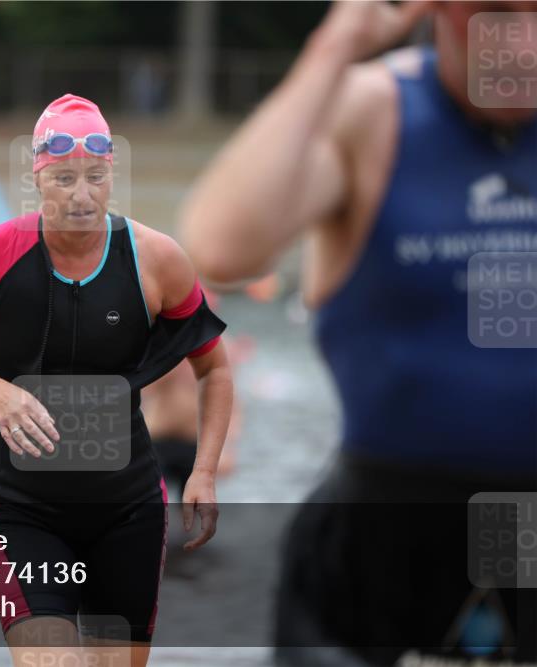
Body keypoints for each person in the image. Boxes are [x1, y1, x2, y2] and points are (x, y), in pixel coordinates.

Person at [178, 1, 536, 665]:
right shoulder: (375, 111)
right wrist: (335, 46)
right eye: (497, 12)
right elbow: (221, 246)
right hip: (385, 542)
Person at [0, 93, 233, 667]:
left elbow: (213, 368)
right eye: (64, 177)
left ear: (111, 175)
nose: (81, 194)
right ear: (39, 177)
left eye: (95, 176)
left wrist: (205, 472)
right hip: (21, 508)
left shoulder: (156, 259)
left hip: (129, 507)